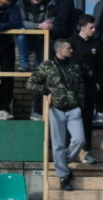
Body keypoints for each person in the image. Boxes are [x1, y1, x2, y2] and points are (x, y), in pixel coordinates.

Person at [28, 38, 91, 189]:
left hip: (74, 109)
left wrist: (80, 104)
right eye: (69, 48)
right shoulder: (47, 66)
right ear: (59, 50)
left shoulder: (74, 66)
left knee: (80, 139)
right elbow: (30, 83)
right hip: (56, 109)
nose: (72, 50)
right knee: (58, 145)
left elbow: (81, 85)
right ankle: (63, 176)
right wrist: (45, 91)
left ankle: (62, 162)